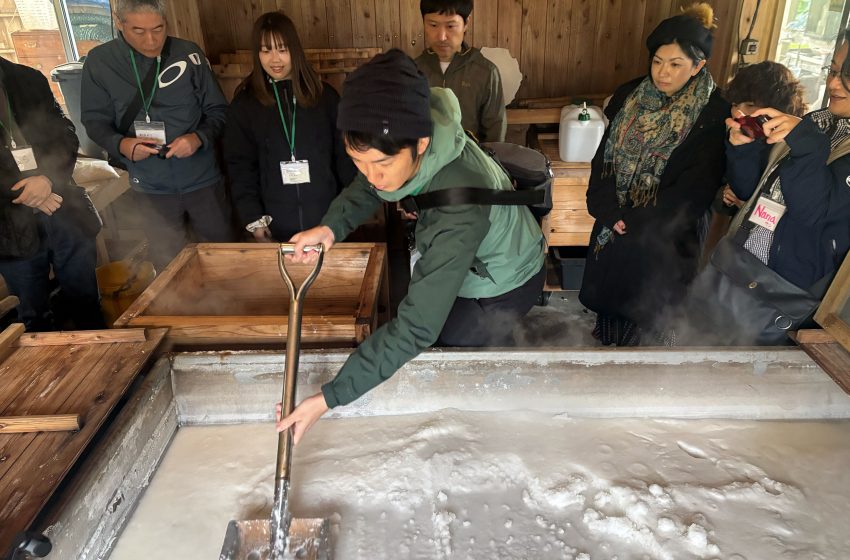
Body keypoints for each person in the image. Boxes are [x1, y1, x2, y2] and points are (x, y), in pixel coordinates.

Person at [276, 49, 545, 444]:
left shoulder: (459, 205)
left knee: (440, 342)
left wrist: (329, 398)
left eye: (381, 165)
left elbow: (417, 327)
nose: (371, 176)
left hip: (503, 283)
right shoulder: (415, 125)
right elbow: (371, 181)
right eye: (358, 161)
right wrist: (331, 228)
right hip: (471, 259)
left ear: (420, 144)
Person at [578, 3, 729, 346]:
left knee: (654, 319)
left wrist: (636, 220)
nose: (663, 72)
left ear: (698, 65)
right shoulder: (630, 96)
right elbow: (604, 161)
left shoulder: (713, 113)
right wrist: (610, 212)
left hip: (669, 233)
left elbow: (696, 188)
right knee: (613, 314)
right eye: (658, 62)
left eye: (676, 64)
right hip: (616, 222)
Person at [81, 0, 234, 270]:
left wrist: (198, 138)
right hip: (151, 184)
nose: (151, 41)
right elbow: (94, 121)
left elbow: (218, 110)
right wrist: (122, 144)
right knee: (168, 263)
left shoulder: (189, 54)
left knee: (222, 255)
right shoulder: (100, 62)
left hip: (202, 179)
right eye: (139, 31)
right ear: (119, 23)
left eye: (158, 29)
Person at [721, 32, 850, 295]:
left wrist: (807, 144)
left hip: (785, 290)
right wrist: (743, 149)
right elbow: (749, 191)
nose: (834, 84)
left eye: (847, 76)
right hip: (741, 259)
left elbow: (811, 213)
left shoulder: (807, 133)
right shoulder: (817, 122)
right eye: (833, 71)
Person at [222, 11, 355, 242]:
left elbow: (345, 157)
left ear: (295, 50)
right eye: (266, 50)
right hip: (275, 224)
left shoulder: (325, 97)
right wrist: (252, 217)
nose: (275, 59)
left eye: (283, 49)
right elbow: (240, 166)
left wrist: (346, 211)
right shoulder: (245, 104)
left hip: (326, 219)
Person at [0, 55, 104, 331]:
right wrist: (27, 191)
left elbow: (66, 133)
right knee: (33, 318)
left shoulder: (27, 77)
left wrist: (48, 179)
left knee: (87, 304)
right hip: (9, 227)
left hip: (63, 209)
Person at [701, 61, 807, 264]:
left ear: (776, 108)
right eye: (735, 105)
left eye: (750, 106)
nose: (739, 113)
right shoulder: (738, 133)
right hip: (732, 236)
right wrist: (725, 193)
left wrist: (749, 202)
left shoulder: (793, 146)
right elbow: (728, 183)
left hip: (772, 254)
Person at [414, 0, 506, 142]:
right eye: (433, 25)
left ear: (466, 23)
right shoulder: (412, 71)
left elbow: (495, 135)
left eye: (450, 26)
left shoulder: (485, 72)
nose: (442, 36)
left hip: (471, 161)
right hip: (425, 162)